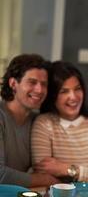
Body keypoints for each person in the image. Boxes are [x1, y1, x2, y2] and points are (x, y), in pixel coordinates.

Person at [31, 61, 88, 183]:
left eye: (77, 89)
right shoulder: (43, 123)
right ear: (52, 95)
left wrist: (66, 169)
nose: (74, 97)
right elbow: (44, 175)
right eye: (64, 91)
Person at [0, 54, 59, 187]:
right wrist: (47, 180)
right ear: (13, 83)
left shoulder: (39, 121)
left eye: (44, 84)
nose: (39, 90)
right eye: (32, 82)